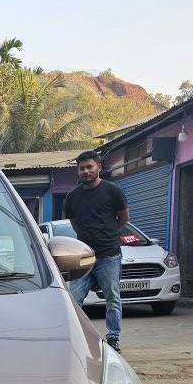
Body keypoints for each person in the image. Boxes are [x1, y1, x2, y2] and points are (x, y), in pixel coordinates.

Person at [65, 150, 129, 353]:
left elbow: (123, 218)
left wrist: (107, 234)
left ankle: (113, 338)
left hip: (109, 255)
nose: (85, 171)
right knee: (73, 299)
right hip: (82, 257)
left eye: (89, 167)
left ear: (99, 167)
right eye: (82, 168)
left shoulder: (113, 191)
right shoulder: (72, 197)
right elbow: (74, 222)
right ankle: (77, 337)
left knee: (112, 297)